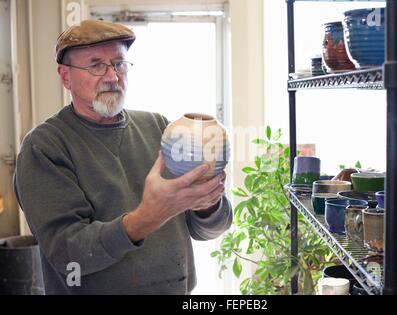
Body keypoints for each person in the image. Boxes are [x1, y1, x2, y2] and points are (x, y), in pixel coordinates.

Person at [13, 20, 233, 295]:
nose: (112, 77)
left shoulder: (159, 128)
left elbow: (208, 230)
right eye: (96, 65)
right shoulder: (45, 147)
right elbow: (68, 253)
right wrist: (146, 218)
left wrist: (208, 204)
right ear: (65, 76)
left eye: (119, 63)